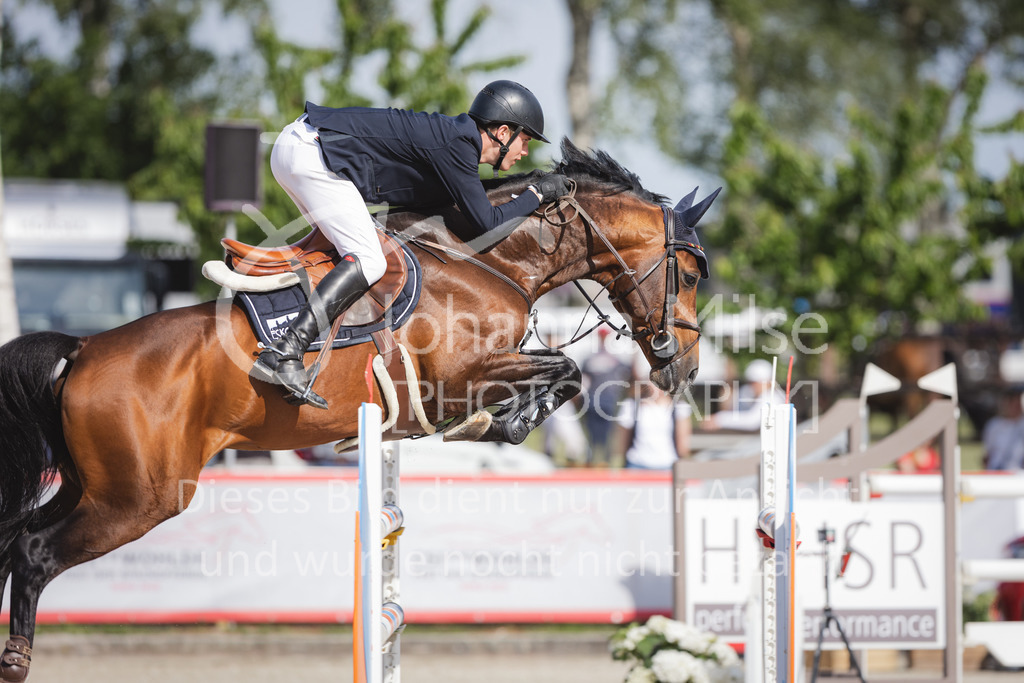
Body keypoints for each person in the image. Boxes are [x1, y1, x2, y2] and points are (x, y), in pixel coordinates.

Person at [251, 80, 571, 408]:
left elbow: (473, 199)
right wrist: (537, 194)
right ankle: (287, 350)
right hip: (311, 152)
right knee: (369, 259)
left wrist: (529, 189)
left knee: (346, 254)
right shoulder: (459, 144)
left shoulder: (458, 142)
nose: (526, 151)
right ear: (503, 132)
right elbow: (486, 222)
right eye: (526, 140)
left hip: (302, 148)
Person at [613, 355, 693, 469]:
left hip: (668, 466)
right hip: (636, 465)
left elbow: (683, 447)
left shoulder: (680, 408)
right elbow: (621, 444)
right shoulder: (631, 406)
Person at [580, 326, 631, 465]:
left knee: (608, 433)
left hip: (609, 400)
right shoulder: (589, 359)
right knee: (591, 432)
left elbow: (628, 373)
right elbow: (583, 379)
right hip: (591, 401)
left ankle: (606, 460)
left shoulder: (616, 359)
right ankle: (590, 459)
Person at [702, 359, 785, 432]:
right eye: (751, 382)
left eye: (756, 382)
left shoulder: (774, 398)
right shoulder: (746, 392)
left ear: (767, 382)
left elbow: (752, 421)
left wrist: (720, 419)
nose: (752, 386)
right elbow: (734, 411)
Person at [983, 388, 1024, 470]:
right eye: (1012, 403)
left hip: (1017, 474)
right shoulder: (993, 425)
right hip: (995, 472)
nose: (1016, 408)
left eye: (1018, 404)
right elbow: (987, 454)